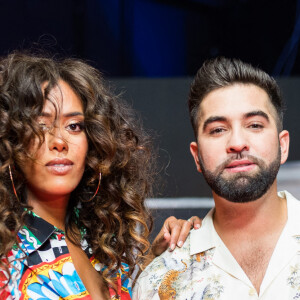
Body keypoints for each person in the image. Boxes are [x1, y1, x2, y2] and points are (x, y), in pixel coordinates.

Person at [0, 51, 200, 300]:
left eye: (74, 126)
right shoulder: (7, 257)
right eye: (40, 126)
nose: (59, 142)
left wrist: (155, 265)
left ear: (93, 142)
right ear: (11, 141)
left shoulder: (103, 244)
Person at [133, 57, 300, 299]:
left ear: (283, 146)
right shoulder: (159, 282)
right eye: (218, 130)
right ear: (197, 156)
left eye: (254, 125)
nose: (237, 143)